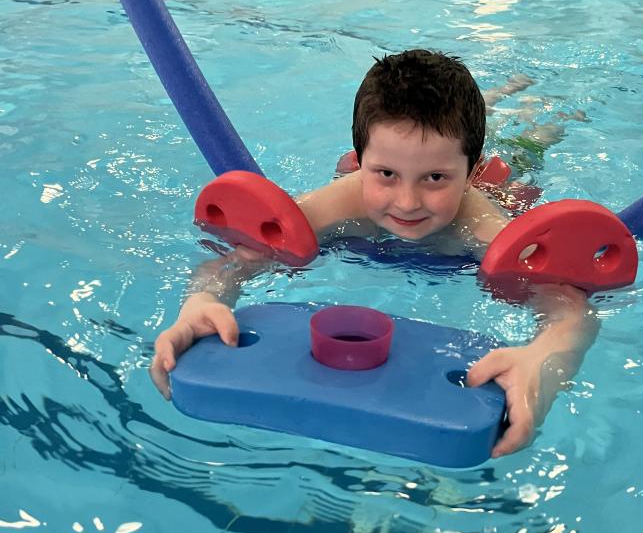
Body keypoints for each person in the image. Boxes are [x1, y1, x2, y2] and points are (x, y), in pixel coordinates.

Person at [151, 50, 597, 457]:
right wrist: (202, 301)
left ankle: (544, 111)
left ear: (469, 171)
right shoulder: (328, 210)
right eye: (385, 173)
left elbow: (569, 306)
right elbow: (238, 259)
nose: (407, 202)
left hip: (498, 183)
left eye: (436, 178)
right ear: (360, 159)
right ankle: (494, 98)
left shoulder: (484, 229)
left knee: (527, 146)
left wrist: (543, 363)